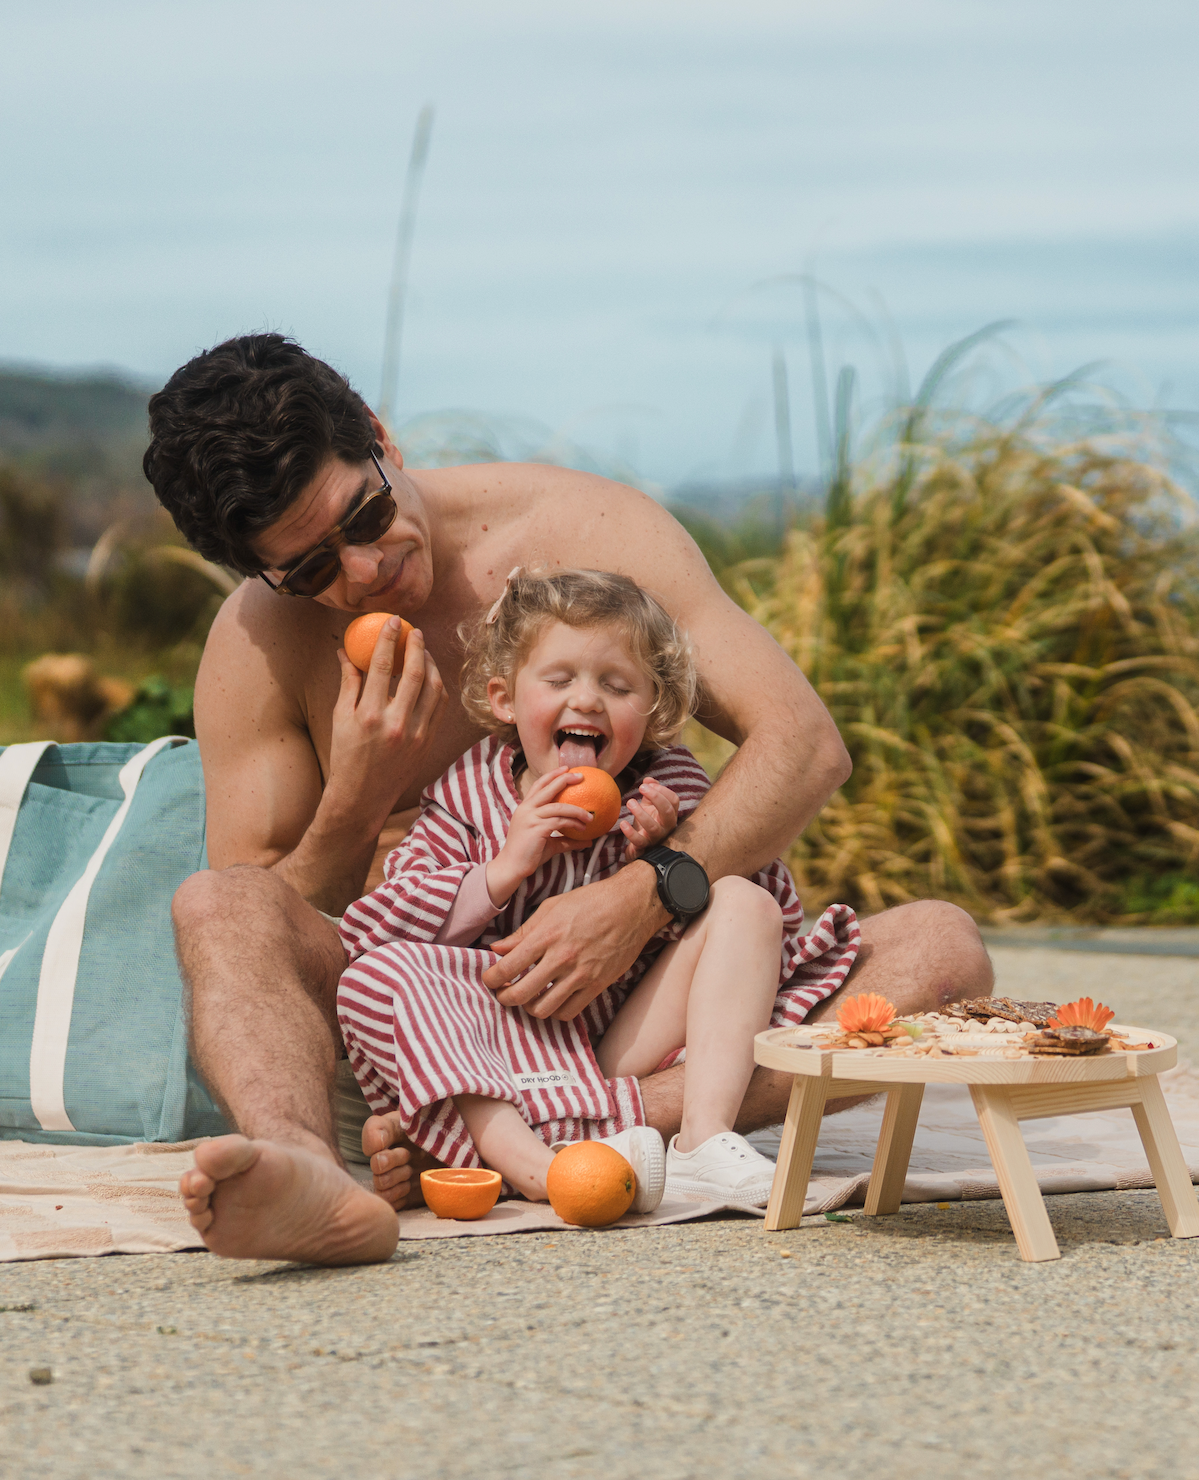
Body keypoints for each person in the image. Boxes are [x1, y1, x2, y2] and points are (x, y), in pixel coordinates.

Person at [147, 334, 991, 1264]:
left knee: (940, 950)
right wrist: (358, 798)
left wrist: (644, 893)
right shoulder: (257, 649)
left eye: (367, 515)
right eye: (309, 570)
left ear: (380, 439)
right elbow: (263, 922)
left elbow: (802, 743)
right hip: (415, 1028)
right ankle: (308, 1172)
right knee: (212, 904)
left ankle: (533, 1138)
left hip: (632, 1015)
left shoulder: (587, 534)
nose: (362, 570)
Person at [337, 568, 860, 1210]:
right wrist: (502, 869)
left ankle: (702, 1140)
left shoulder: (668, 787)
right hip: (505, 1044)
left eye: (617, 686)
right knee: (377, 975)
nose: (586, 701)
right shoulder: (467, 796)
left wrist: (668, 859)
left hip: (623, 1040)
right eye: (559, 680)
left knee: (745, 902)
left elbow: (766, 919)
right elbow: (377, 928)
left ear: (652, 709)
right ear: (505, 699)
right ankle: (541, 1167)